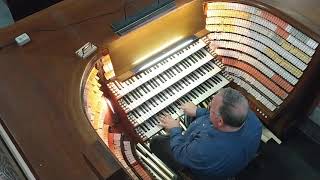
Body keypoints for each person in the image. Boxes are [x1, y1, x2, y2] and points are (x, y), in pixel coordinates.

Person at [150, 87, 262, 179]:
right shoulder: (254, 122)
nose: (209, 104)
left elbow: (180, 153)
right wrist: (198, 111)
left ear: (220, 121)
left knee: (157, 142)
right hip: (230, 159)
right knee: (191, 115)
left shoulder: (204, 149)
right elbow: (218, 120)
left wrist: (175, 129)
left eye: (211, 108)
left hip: (205, 169)